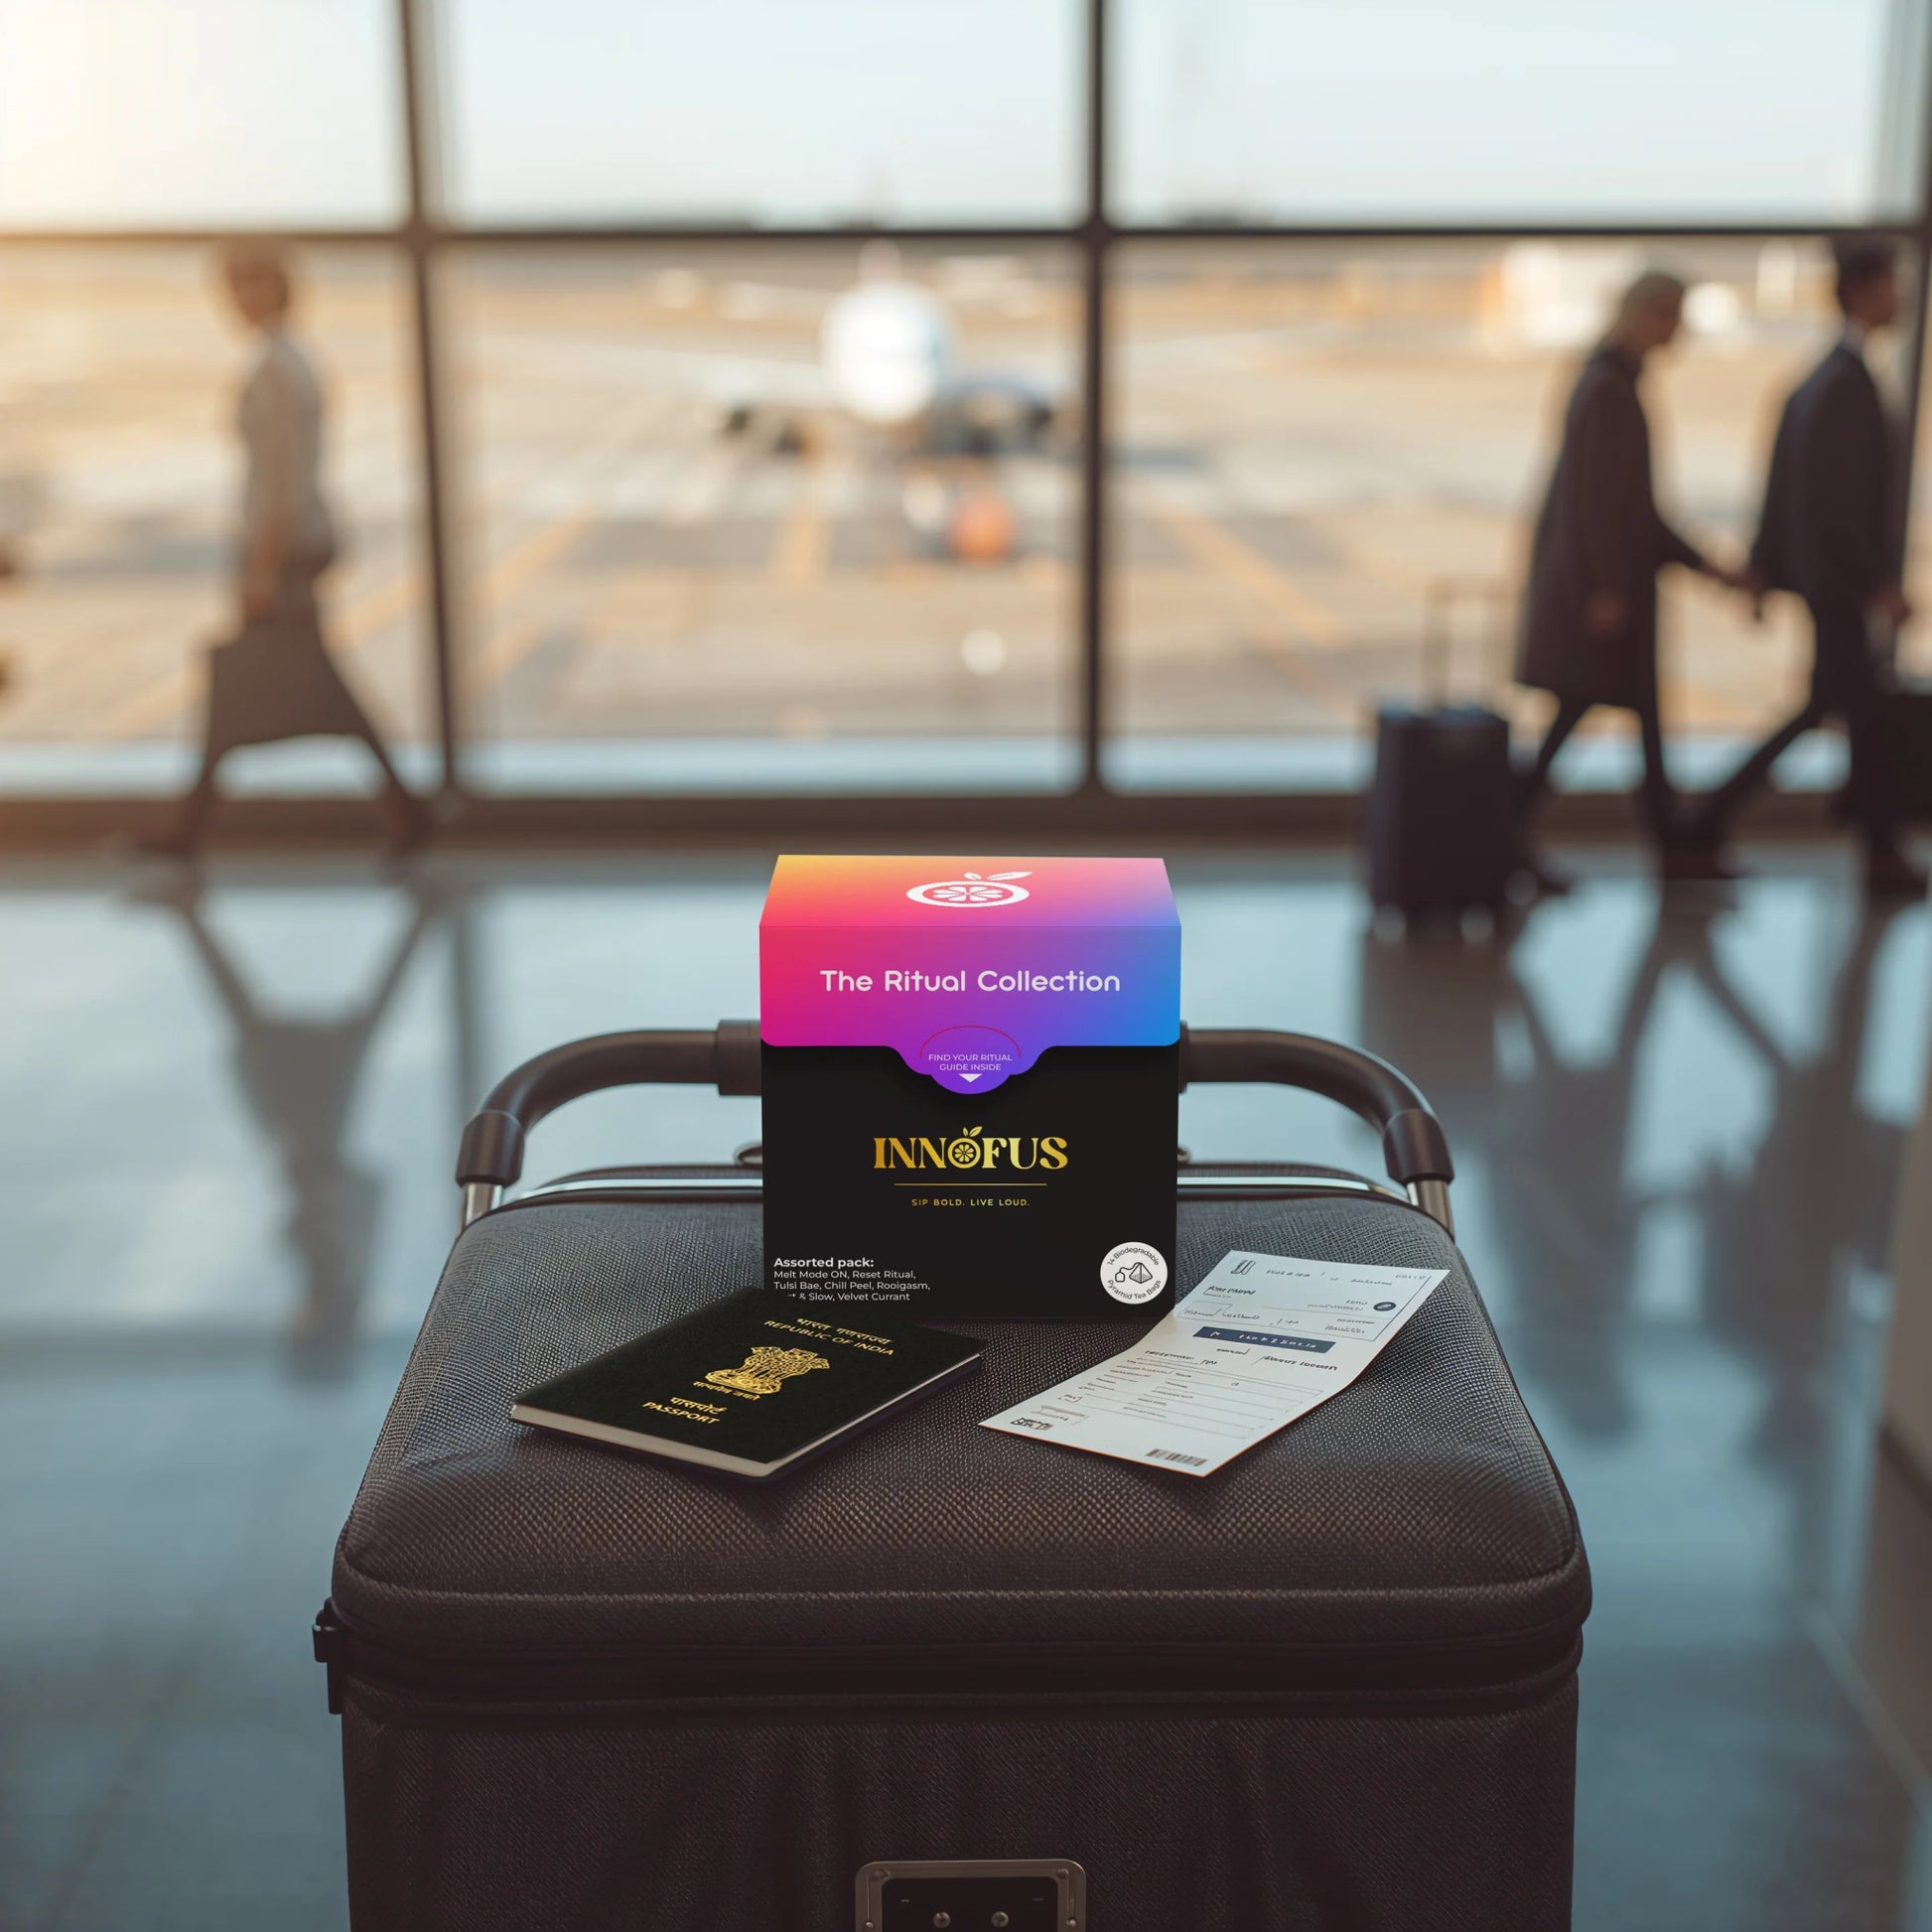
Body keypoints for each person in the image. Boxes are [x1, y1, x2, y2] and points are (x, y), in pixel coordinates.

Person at [144, 245, 425, 856]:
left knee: (287, 688)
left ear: (279, 289)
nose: (239, 300)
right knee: (302, 685)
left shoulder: (277, 366)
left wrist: (262, 567)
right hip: (296, 541)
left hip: (286, 547)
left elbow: (281, 482)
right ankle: (405, 811)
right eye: (234, 287)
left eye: (252, 285)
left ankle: (188, 828)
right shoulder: (291, 357)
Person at [1686, 240, 1926, 898]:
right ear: (1860, 292)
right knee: (1847, 705)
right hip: (1840, 585)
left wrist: (1768, 564)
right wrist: (1876, 580)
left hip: (1828, 580)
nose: (1901, 297)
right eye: (1890, 285)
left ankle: (1867, 837)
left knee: (1846, 705)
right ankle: (1714, 821)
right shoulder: (1844, 385)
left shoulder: (1822, 379)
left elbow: (1783, 485)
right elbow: (1833, 503)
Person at [1516, 270, 1741, 889]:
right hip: (1606, 596)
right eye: (1673, 317)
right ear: (1646, 315)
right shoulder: (1608, 388)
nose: (1681, 331)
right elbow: (1602, 503)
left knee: (1610, 714)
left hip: (1611, 590)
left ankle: (1669, 848)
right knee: (1593, 712)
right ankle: (1666, 850)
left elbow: (1629, 509)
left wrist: (1707, 568)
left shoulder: (1611, 381)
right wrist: (1607, 588)